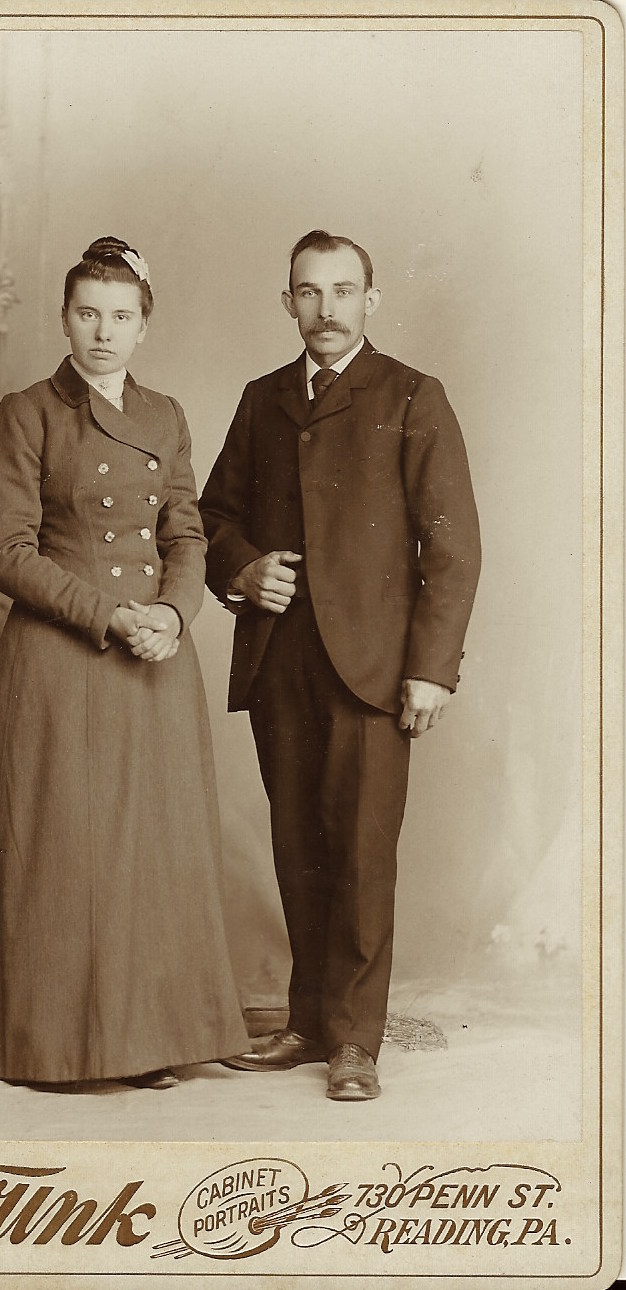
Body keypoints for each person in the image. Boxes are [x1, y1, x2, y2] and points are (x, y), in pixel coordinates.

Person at [0, 237, 248, 1091]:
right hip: (64, 655)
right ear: (64, 318)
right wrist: (110, 615)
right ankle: (57, 1046)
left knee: (149, 849)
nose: (103, 332)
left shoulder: (165, 415)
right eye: (88, 313)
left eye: (121, 316)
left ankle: (146, 1039)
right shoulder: (28, 412)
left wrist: (174, 612)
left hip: (155, 656)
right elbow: (7, 552)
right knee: (67, 853)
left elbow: (186, 533)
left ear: (143, 326)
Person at [199, 230, 481, 1101]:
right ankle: (310, 1022)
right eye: (309, 292)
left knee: (360, 855)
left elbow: (454, 549)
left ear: (371, 300)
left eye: (343, 291)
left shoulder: (412, 394)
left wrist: (431, 668)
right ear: (288, 302)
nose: (326, 309)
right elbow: (211, 519)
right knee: (298, 849)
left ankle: (355, 1042)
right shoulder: (262, 399)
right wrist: (244, 568)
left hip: (374, 669)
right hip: (282, 661)